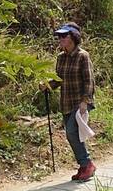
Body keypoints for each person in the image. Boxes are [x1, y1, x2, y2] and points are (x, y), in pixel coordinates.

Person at [41, 22, 96, 182]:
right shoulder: (61, 57)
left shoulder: (82, 56)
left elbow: (89, 80)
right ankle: (83, 166)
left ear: (73, 37)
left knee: (71, 132)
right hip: (66, 102)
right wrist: (47, 85)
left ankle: (87, 164)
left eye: (64, 36)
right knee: (74, 135)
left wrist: (85, 101)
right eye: (59, 36)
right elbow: (59, 79)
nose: (61, 39)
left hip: (80, 102)